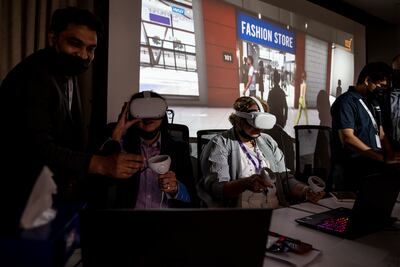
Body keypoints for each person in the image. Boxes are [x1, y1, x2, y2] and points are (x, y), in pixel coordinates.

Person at [0, 7, 142, 232]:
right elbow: (38, 149)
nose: (84, 55)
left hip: (50, 201)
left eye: (91, 49)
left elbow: (70, 143)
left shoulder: (67, 75)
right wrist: (101, 164)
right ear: (52, 38)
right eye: (75, 44)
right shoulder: (32, 78)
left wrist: (115, 136)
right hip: (19, 205)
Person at [198, 96, 324, 208]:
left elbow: (284, 179)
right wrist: (245, 183)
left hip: (275, 210)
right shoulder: (221, 143)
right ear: (238, 120)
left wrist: (306, 191)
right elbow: (216, 188)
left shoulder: (268, 142)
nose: (258, 127)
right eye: (254, 120)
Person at [93, 91, 197, 209]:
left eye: (154, 110)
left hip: (166, 222)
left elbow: (193, 199)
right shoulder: (119, 147)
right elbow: (97, 186)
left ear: (163, 114)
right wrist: (117, 134)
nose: (148, 117)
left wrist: (176, 189)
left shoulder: (179, 149)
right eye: (142, 110)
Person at [330, 62, 400, 192]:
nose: (383, 91)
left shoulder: (372, 101)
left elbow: (381, 132)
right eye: (381, 86)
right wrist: (381, 158)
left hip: (373, 165)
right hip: (353, 170)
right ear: (367, 80)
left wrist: (390, 156)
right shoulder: (346, 101)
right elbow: (347, 138)